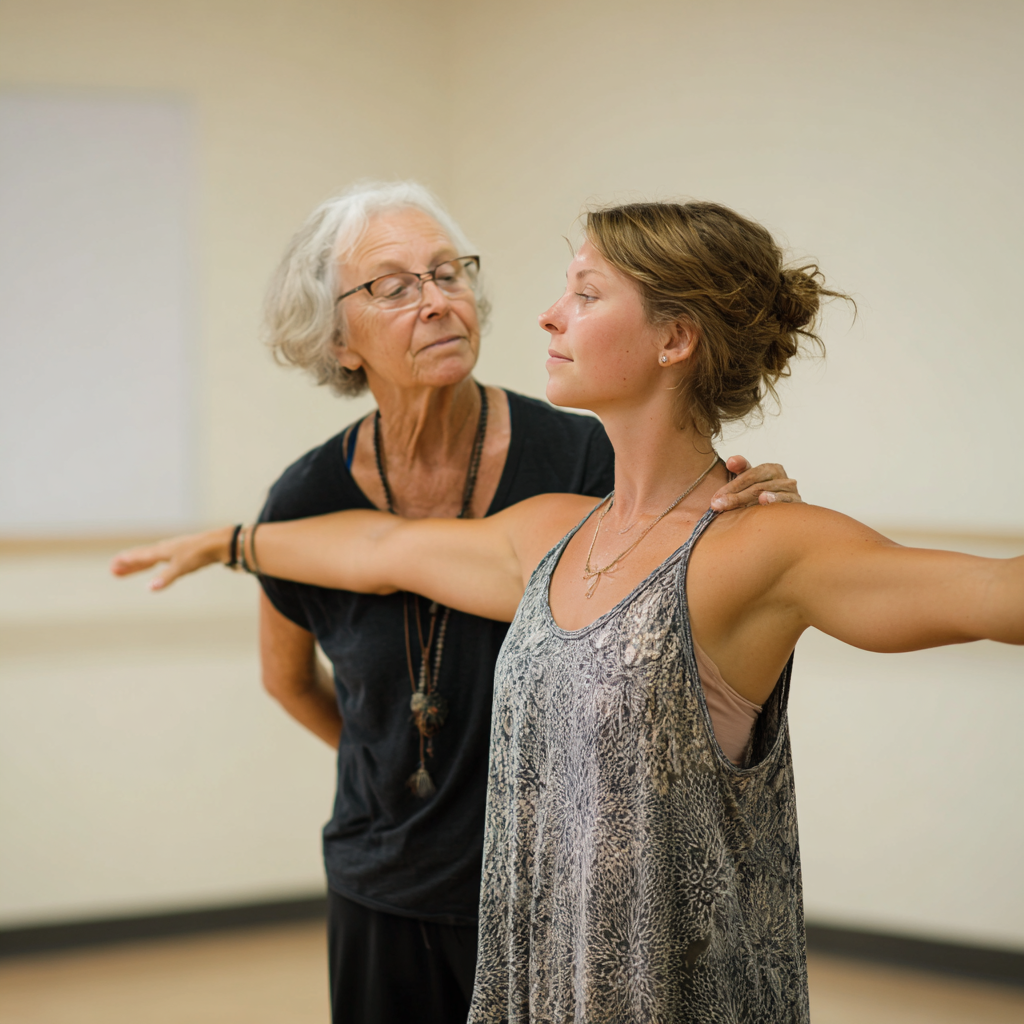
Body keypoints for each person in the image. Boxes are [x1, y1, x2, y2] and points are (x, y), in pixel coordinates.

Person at [114, 198, 1024, 1021]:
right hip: (535, 972)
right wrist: (231, 543)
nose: (546, 314)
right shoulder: (555, 534)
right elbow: (376, 549)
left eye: (585, 293)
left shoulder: (766, 544)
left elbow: (993, 595)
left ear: (674, 340)